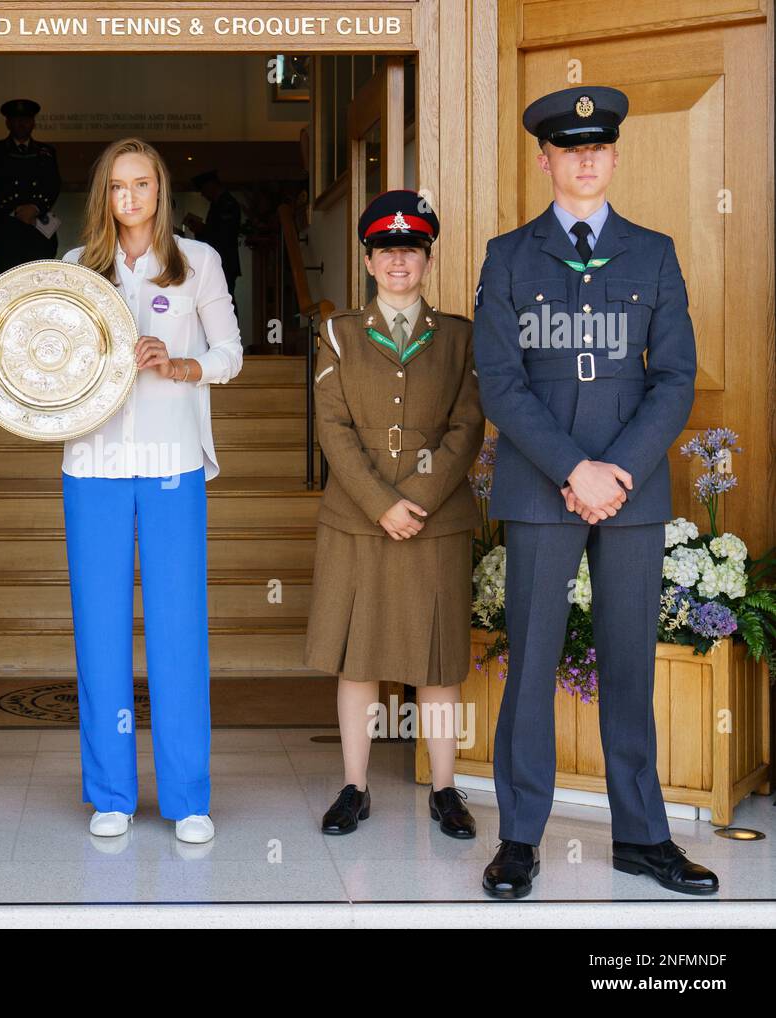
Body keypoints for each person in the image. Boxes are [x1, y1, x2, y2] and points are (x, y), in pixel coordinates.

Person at [0, 138, 243, 843]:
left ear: (160, 191)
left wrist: (179, 367)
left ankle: (187, 797)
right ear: (103, 197)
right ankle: (111, 792)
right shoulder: (72, 269)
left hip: (173, 462)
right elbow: (32, 358)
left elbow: (231, 355)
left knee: (180, 632)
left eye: (142, 185)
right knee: (100, 632)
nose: (131, 198)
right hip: (93, 468)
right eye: (118, 187)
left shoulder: (197, 262)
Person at [474, 86, 717, 898]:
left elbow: (675, 380)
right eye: (567, 148)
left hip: (633, 489)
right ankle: (518, 838)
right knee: (532, 660)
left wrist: (615, 470)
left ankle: (644, 838)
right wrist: (572, 470)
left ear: (613, 157)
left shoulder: (654, 252)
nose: (584, 159)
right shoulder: (508, 256)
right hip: (544, 488)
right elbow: (501, 383)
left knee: (628, 665)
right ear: (545, 160)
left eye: (597, 147)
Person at [306, 190, 483, 841]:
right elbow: (334, 428)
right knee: (359, 662)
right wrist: (384, 503)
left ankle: (444, 789)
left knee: (436, 664)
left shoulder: (461, 337)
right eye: (386, 250)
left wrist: (419, 499)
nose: (398, 261)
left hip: (435, 523)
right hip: (357, 521)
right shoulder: (339, 334)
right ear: (369, 259)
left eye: (410, 249)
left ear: (427, 259)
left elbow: (466, 427)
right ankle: (355, 786)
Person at [0, 98, 61, 275]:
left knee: (41, 282)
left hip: (38, 229)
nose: (21, 124)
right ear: (8, 123)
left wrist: (34, 207)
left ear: (33, 123)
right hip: (7, 229)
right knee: (6, 283)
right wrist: (17, 210)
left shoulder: (46, 152)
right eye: (16, 119)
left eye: (26, 119)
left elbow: (53, 184)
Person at [183, 170, 241, 297]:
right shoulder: (219, 204)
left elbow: (224, 233)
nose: (203, 194)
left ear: (211, 186)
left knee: (225, 296)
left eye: (203, 190)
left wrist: (203, 230)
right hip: (219, 258)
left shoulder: (226, 204)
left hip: (224, 258)